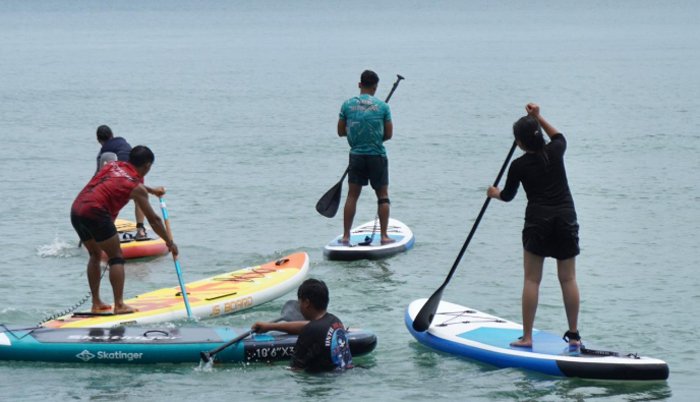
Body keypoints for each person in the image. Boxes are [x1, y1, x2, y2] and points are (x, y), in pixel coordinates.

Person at [486, 103, 582, 348]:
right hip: (566, 219)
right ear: (539, 134)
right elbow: (559, 136)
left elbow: (508, 196)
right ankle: (574, 335)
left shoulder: (518, 165)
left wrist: (494, 193)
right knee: (568, 279)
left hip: (538, 222)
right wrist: (539, 117)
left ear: (519, 143)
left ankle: (527, 337)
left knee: (531, 280)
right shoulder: (556, 150)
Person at [71, 145, 178, 314]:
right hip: (96, 213)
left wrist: (152, 191)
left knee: (95, 254)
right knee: (116, 257)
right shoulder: (136, 188)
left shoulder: (114, 165)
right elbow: (154, 220)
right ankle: (119, 305)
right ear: (147, 165)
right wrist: (169, 242)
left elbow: (122, 180)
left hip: (77, 210)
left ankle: (96, 302)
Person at [337, 70, 395, 245]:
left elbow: (341, 132)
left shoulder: (347, 105)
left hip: (356, 156)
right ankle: (384, 236)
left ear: (359, 85)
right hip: (377, 156)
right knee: (383, 196)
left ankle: (346, 236)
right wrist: (374, 138)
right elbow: (388, 135)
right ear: (375, 87)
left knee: (352, 196)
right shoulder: (383, 107)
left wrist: (358, 136)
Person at [252, 279, 353, 372]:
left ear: (306, 303)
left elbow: (295, 369)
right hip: (343, 373)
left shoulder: (310, 331)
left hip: (322, 380)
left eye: (299, 302)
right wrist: (270, 326)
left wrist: (271, 365)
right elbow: (309, 326)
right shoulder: (335, 321)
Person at [95, 125, 147, 239]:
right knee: (139, 200)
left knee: (112, 201)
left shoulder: (103, 152)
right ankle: (141, 229)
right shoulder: (123, 142)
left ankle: (108, 231)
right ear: (112, 135)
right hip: (137, 172)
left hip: (123, 177)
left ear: (98, 140)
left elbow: (99, 175)